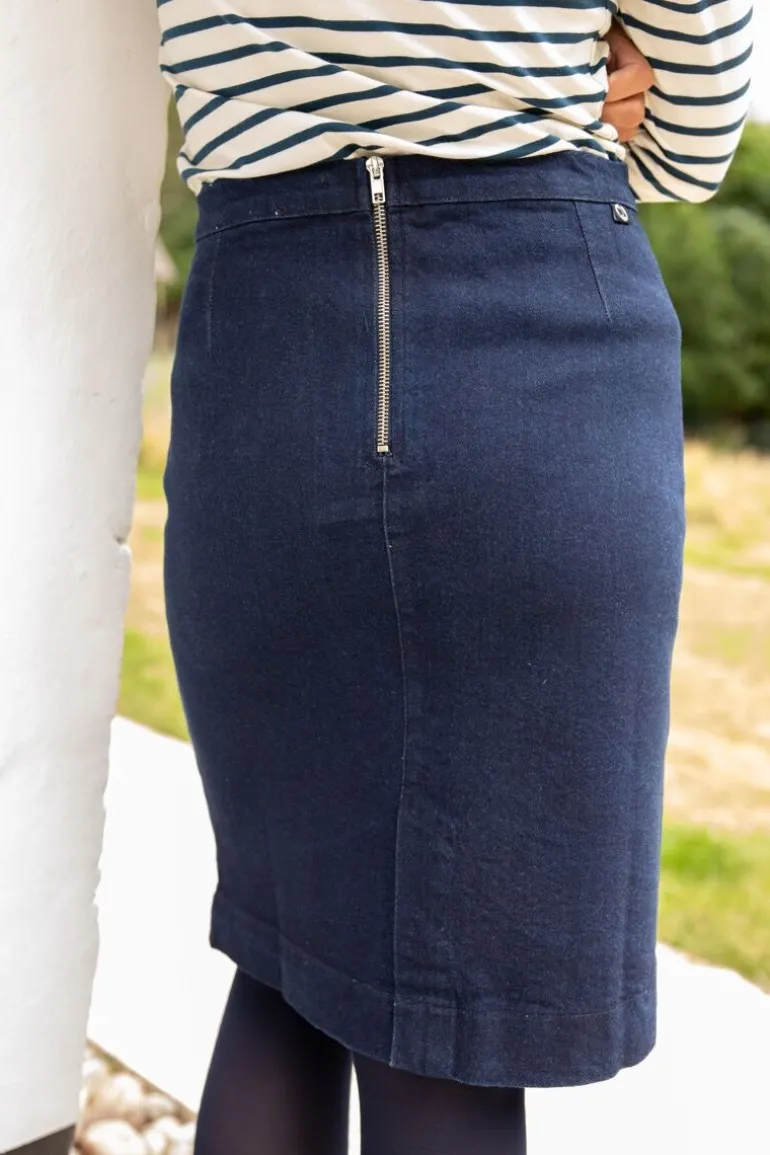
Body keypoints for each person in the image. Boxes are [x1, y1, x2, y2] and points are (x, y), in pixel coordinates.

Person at [156, 3, 753, 1152]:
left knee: (291, 955)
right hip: (524, 342)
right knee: (451, 1017)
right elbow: (691, 139)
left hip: (260, 351)